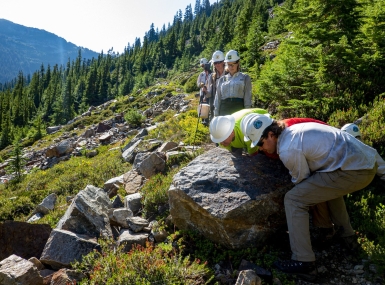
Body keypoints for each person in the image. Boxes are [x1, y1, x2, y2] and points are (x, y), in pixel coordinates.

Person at [240, 115, 385, 280]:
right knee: (325, 185)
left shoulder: (288, 148)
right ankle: (346, 236)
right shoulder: (294, 131)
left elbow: (302, 182)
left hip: (354, 171)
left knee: (294, 200)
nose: (260, 149)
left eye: (260, 143)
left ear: (271, 135)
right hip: (365, 165)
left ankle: (304, 261)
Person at [214, 50, 252, 116]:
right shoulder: (222, 80)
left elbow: (247, 98)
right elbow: (218, 98)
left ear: (238, 63)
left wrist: (247, 114)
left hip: (239, 111)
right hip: (224, 111)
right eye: (228, 65)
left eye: (232, 64)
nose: (230, 67)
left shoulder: (245, 78)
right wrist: (216, 114)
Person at [206, 51, 226, 122]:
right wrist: (205, 91)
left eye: (220, 62)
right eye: (215, 63)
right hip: (215, 105)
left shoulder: (229, 74)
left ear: (224, 62)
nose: (218, 65)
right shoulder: (212, 77)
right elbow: (209, 93)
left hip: (227, 105)